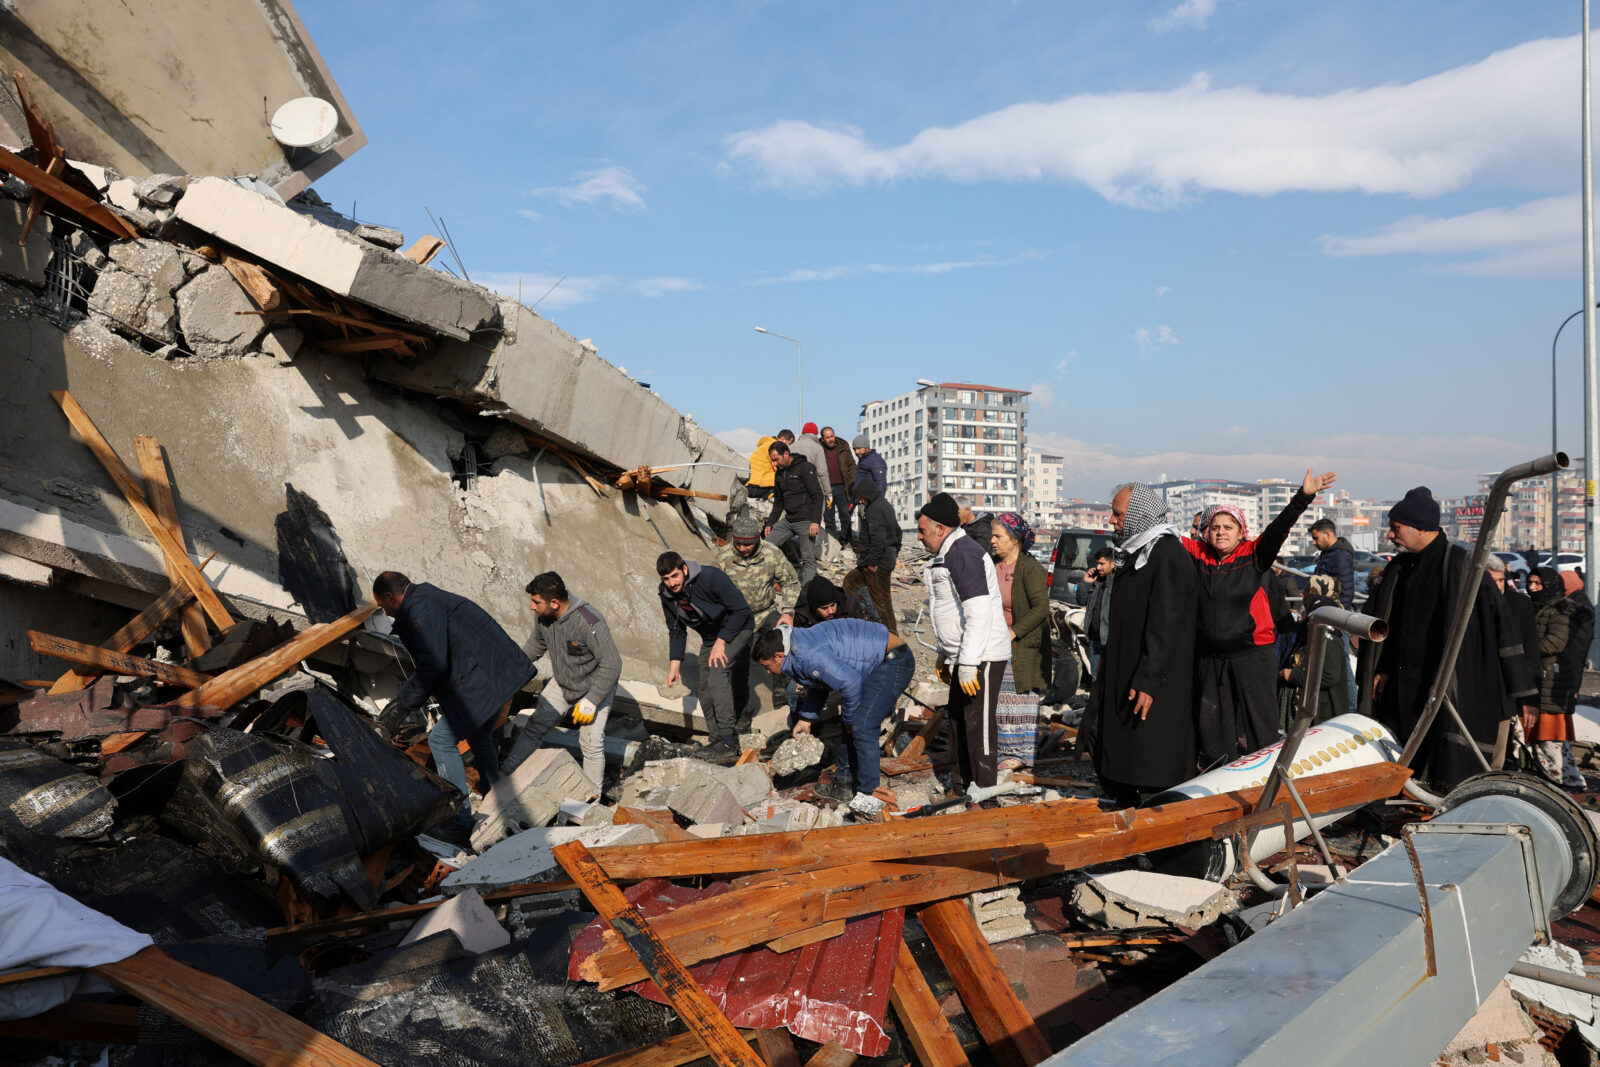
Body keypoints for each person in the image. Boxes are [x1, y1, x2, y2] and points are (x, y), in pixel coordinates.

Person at [1369, 487, 1537, 790]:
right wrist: (1381, 668)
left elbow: (1503, 631)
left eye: (1395, 528)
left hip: (1449, 687)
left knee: (1445, 769)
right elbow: (1392, 624)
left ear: (1419, 528)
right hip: (1401, 688)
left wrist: (1524, 695)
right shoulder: (1400, 568)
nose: (1389, 536)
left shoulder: (1463, 567)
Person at [1183, 469, 1336, 764]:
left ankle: (1266, 780)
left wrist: (1303, 497)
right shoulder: (1199, 555)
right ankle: (1221, 781)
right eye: (1215, 526)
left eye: (1229, 526)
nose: (1221, 532)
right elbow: (1162, 539)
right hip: (1211, 658)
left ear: (1241, 532)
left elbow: (1279, 529)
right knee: (1213, 726)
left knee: (1259, 726)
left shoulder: (1254, 555)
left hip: (1251, 655)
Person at [374, 571, 535, 846]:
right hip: (491, 675)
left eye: (383, 606)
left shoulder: (420, 607)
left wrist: (402, 704)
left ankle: (460, 820)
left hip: (484, 680)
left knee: (440, 740)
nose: (385, 613)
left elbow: (433, 663)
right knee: (479, 736)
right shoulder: (426, 599)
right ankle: (500, 800)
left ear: (391, 597)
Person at [1083, 484, 1198, 807]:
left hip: (1154, 679)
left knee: (1152, 755)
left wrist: (1148, 680)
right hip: (1125, 667)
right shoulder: (1137, 553)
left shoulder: (1166, 555)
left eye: (1118, 515)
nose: (1111, 521)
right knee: (1117, 744)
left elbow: (1167, 625)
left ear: (1137, 516)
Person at [754, 619, 915, 819]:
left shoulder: (807, 653)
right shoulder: (797, 649)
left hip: (893, 661)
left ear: (778, 656)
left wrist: (849, 720)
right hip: (874, 661)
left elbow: (851, 684)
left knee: (862, 725)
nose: (768, 672)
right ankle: (845, 783)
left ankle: (869, 799)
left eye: (767, 667)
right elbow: (819, 683)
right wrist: (806, 719)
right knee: (853, 720)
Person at [918, 492, 1012, 790]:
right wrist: (947, 654)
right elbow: (951, 612)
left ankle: (985, 792)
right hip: (963, 657)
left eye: (922, 531)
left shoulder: (963, 553)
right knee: (958, 721)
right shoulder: (948, 553)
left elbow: (978, 611)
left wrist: (969, 662)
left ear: (940, 529)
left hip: (981, 656)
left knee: (979, 726)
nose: (919, 537)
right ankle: (961, 784)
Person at [515, 572, 620, 791]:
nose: (532, 607)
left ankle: (590, 801)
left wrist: (592, 700)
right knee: (535, 727)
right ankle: (508, 773)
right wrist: (512, 668)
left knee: (591, 745)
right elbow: (536, 644)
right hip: (563, 683)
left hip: (594, 687)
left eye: (536, 602)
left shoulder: (590, 621)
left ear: (554, 602)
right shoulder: (544, 616)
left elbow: (612, 664)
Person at [657, 551, 755, 758]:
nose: (671, 583)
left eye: (675, 576)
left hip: (738, 628)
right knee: (705, 688)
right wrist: (674, 665)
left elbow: (741, 611)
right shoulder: (666, 594)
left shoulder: (711, 577)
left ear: (684, 569)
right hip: (711, 637)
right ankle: (717, 741)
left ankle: (729, 742)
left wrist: (722, 641)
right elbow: (676, 630)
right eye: (666, 579)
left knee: (718, 671)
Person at [990, 512, 1051, 771]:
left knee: (1018, 701)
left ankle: (1017, 755)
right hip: (994, 644)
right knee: (998, 702)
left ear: (1014, 539)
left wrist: (1014, 632)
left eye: (998, 536)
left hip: (1022, 647)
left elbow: (1041, 607)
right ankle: (1001, 753)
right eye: (991, 535)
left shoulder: (1030, 569)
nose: (992, 541)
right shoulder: (991, 565)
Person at [1526, 568, 1580, 786]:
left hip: (1551, 679)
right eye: (1530, 582)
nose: (1532, 588)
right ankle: (1567, 780)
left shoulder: (1559, 610)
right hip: (1542, 677)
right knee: (1548, 737)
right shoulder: (1537, 607)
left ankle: (1556, 782)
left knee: (1550, 734)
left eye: (1538, 584)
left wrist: (1524, 648)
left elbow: (1555, 642)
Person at [716, 512, 799, 630]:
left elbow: (791, 583)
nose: (742, 548)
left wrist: (788, 612)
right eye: (738, 543)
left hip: (766, 615)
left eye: (747, 544)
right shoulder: (723, 556)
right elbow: (712, 588)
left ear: (756, 540)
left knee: (782, 638)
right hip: (734, 618)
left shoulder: (772, 553)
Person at [1278, 591, 1350, 723]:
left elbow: (1329, 677)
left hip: (1323, 714)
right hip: (1314, 710)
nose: (1302, 616)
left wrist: (1294, 675)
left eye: (1307, 611)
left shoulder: (1328, 639)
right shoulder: (1311, 636)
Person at [763, 441, 825, 586]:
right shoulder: (779, 474)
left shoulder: (805, 468)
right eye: (772, 460)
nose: (775, 463)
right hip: (788, 520)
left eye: (776, 459)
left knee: (808, 559)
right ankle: (771, 581)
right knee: (766, 547)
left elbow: (818, 495)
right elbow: (778, 503)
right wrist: (770, 523)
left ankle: (807, 594)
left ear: (786, 454)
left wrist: (815, 521)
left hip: (806, 521)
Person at [845, 477, 901, 633]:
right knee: (850, 583)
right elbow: (898, 532)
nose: (861, 501)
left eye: (862, 497)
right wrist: (895, 551)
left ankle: (892, 636)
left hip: (876, 563)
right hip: (877, 559)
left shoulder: (875, 509)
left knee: (881, 601)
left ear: (868, 494)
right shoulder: (885, 505)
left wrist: (873, 563)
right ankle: (850, 622)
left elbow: (878, 538)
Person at [1074, 546, 1115, 668]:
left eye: (1102, 564)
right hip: (1094, 638)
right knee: (1095, 677)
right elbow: (1081, 601)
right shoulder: (1095, 581)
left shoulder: (1118, 582)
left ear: (1113, 563)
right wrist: (1085, 582)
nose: (1098, 567)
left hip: (1109, 640)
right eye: (1097, 563)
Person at [819, 426, 858, 544]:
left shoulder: (843, 446)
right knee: (829, 519)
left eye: (832, 436)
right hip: (827, 489)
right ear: (822, 439)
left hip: (842, 487)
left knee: (845, 516)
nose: (831, 439)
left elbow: (852, 465)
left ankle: (846, 542)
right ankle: (832, 543)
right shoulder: (819, 449)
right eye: (827, 437)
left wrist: (852, 481)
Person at [795, 574, 879, 628]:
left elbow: (861, 632)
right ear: (814, 608)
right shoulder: (803, 615)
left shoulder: (850, 606)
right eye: (824, 608)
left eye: (833, 605)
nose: (831, 611)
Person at [1309, 519, 1356, 611]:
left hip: (1333, 615)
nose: (1313, 542)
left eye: (1316, 538)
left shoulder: (1340, 556)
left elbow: (1346, 592)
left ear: (1327, 534)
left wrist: (1336, 616)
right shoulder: (1327, 553)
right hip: (1324, 611)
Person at [746, 433, 778, 501]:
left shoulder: (764, 446)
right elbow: (778, 466)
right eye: (788, 444)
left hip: (749, 484)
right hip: (756, 486)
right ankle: (763, 499)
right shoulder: (773, 446)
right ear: (783, 439)